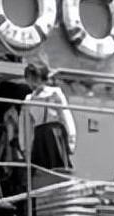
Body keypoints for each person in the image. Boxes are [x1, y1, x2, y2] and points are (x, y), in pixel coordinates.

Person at [19, 59, 77, 197]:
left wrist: (71, 140)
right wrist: (25, 146)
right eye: (29, 78)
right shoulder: (29, 99)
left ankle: (61, 195)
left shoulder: (54, 93)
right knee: (40, 169)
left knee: (57, 167)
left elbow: (65, 115)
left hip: (54, 133)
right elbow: (25, 125)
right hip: (39, 134)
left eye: (33, 77)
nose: (31, 81)